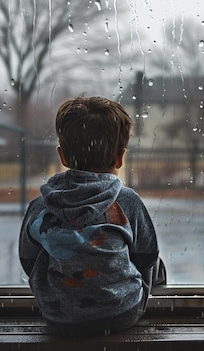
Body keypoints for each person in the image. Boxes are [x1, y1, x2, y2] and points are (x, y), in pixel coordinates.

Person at [19, 96, 165, 336]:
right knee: (156, 264)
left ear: (63, 156)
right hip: (121, 313)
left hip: (59, 319)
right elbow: (146, 255)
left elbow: (28, 259)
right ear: (120, 157)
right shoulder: (127, 201)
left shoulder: (41, 206)